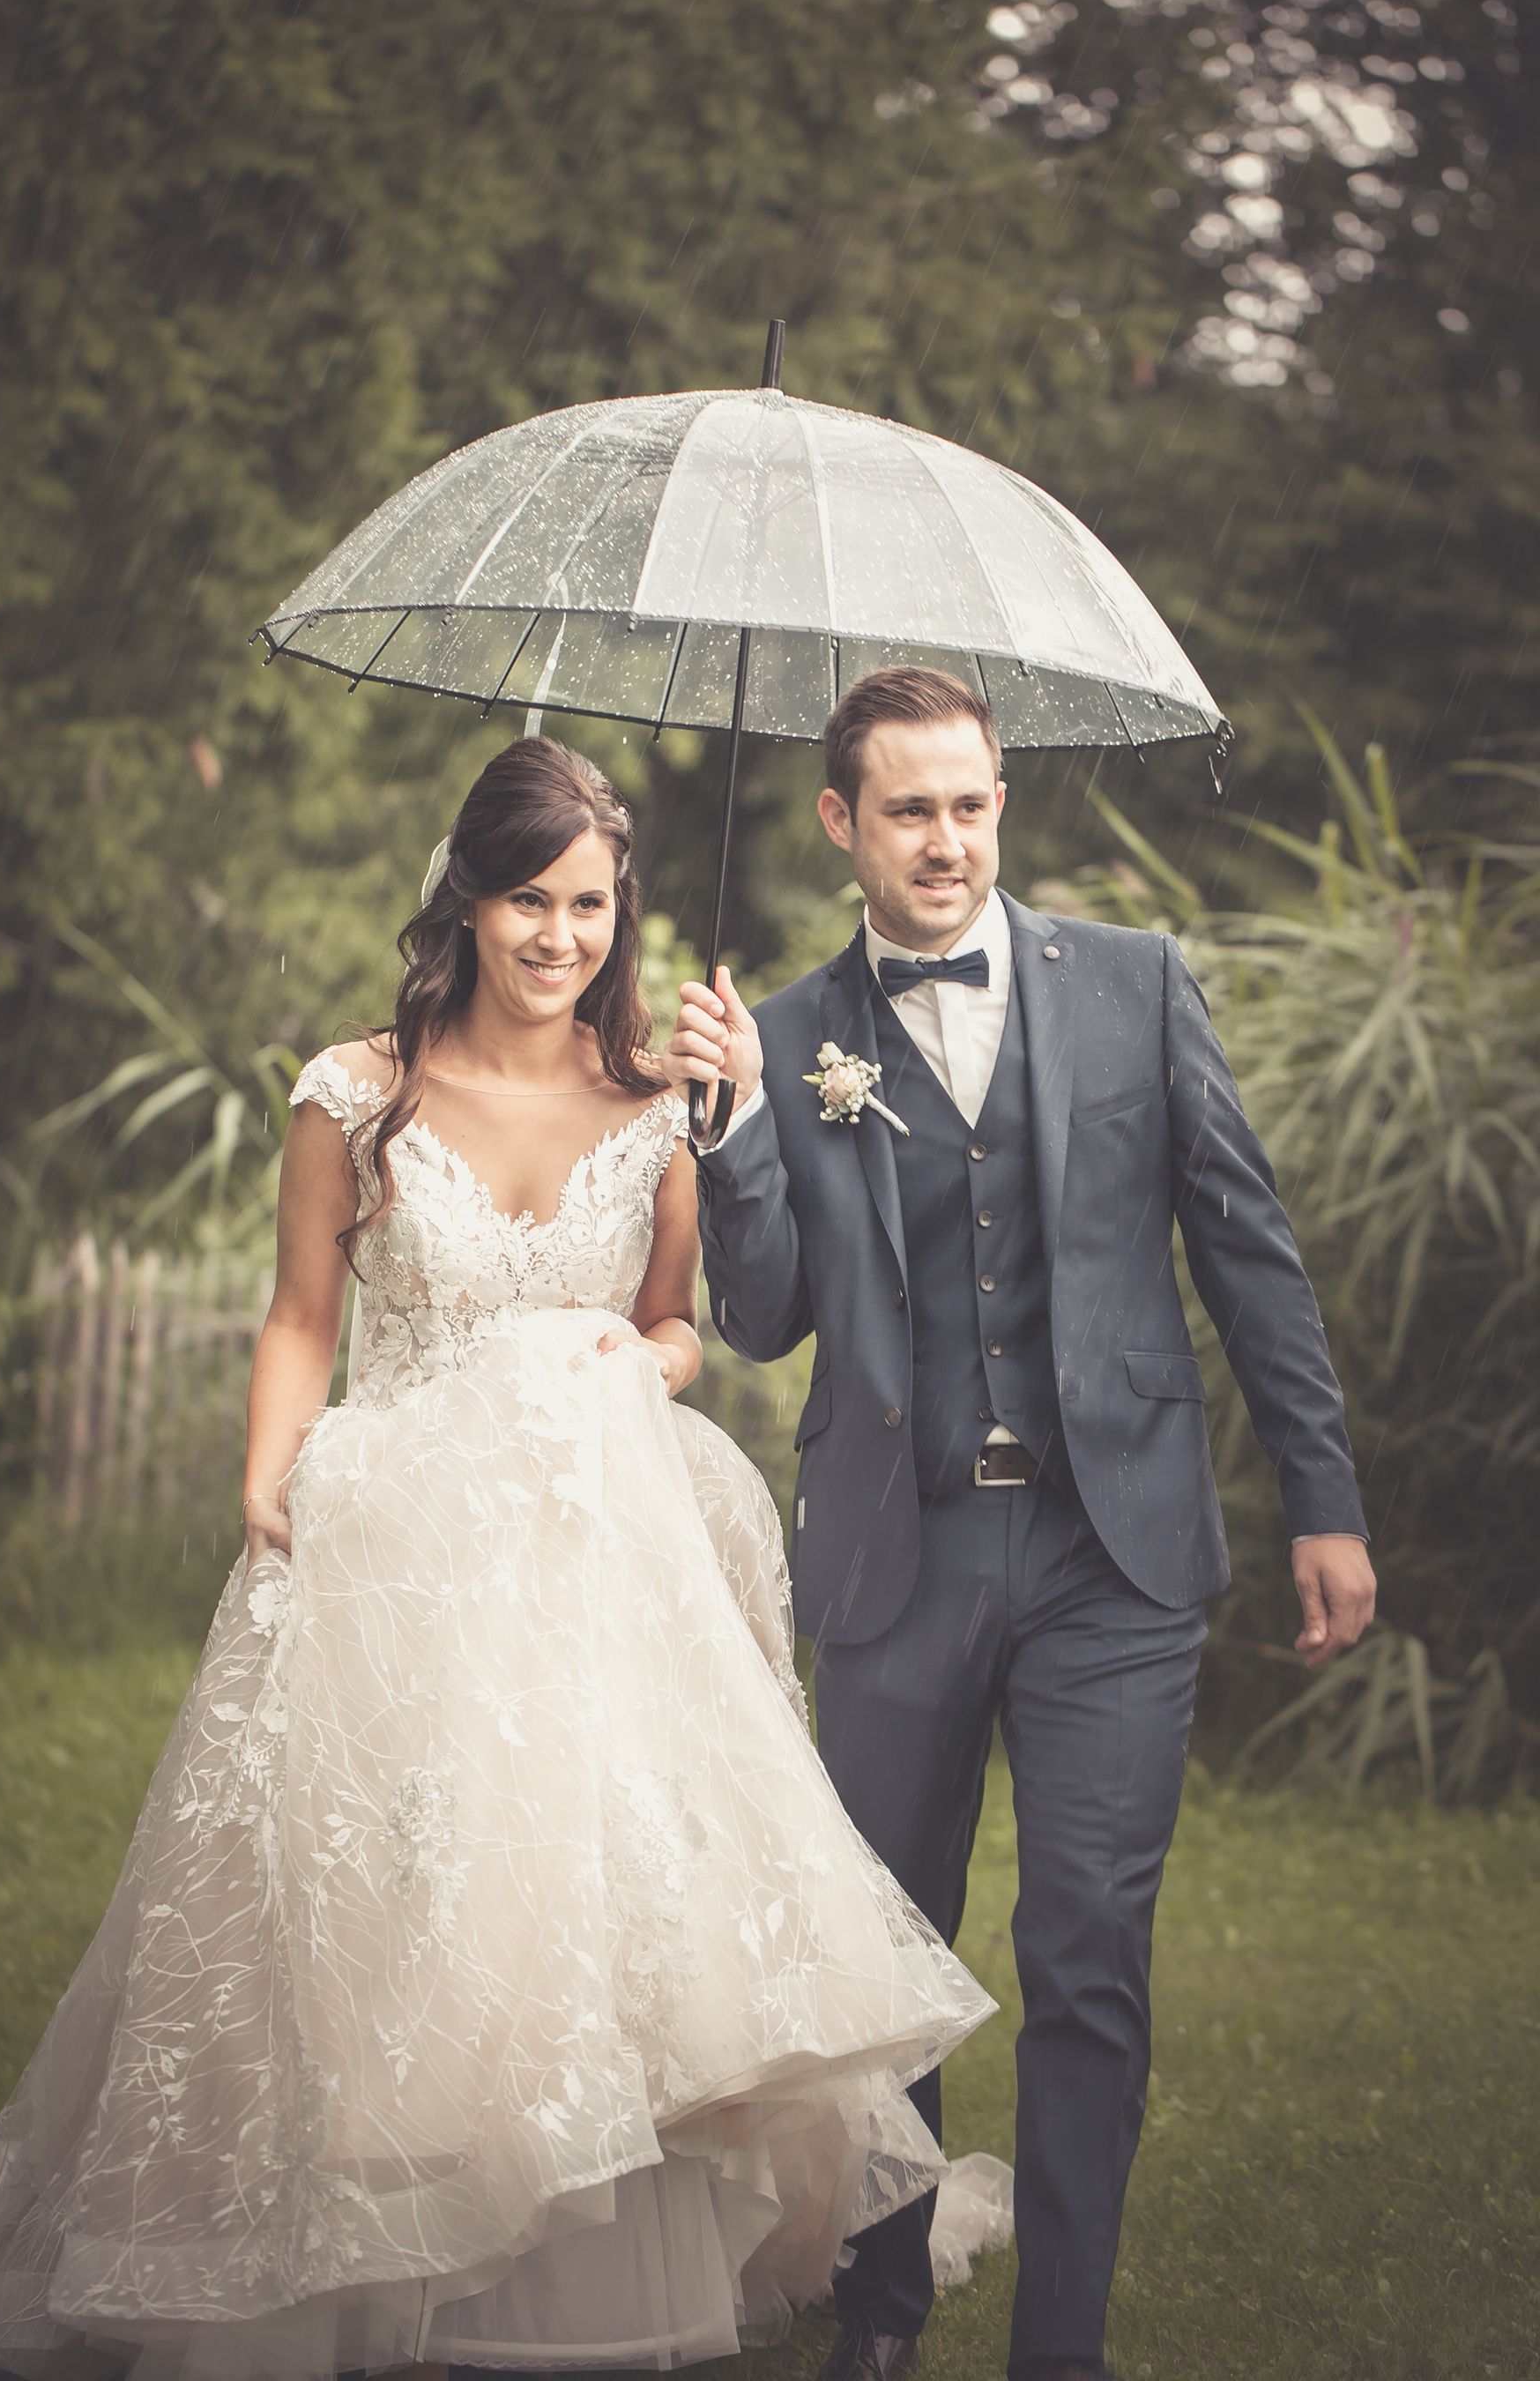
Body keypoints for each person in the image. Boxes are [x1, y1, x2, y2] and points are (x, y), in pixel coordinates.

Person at [0, 735, 993, 2381]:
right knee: (399, 1890)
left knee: (588, 1894)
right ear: (467, 898)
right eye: (531, 899)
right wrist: (271, 1482)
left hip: (596, 1553)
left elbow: (682, 1325)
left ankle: (584, 2257)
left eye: (591, 904)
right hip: (403, 1544)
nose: (561, 938)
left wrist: (640, 1365)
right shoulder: (356, 1093)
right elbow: (302, 1316)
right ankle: (357, 2238)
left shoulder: (656, 1107)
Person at [665, 666, 1378, 2381]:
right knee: (890, 1962)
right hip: (892, 1562)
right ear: (841, 821)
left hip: (1107, 1552)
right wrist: (732, 1131)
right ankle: (885, 2310)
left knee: (1087, 1956)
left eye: (972, 802)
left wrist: (1323, 1498)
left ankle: (1062, 2347)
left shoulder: (1133, 987)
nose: (948, 841)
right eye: (909, 808)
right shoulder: (770, 1039)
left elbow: (1246, 1250)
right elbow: (757, 1318)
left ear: (1002, 798)